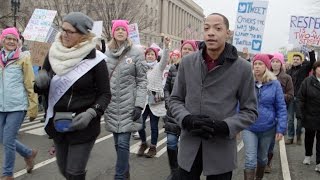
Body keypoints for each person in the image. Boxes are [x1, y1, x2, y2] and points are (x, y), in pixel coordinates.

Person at [169, 13, 258, 180]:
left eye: (217, 28)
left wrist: (225, 126)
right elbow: (175, 100)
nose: (211, 32)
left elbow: (250, 111)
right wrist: (186, 119)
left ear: (228, 33)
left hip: (221, 147)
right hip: (190, 145)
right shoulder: (187, 62)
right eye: (206, 28)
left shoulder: (243, 68)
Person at [34, 12, 111, 180]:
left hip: (83, 124)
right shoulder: (52, 53)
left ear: (83, 34)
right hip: (58, 123)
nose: (64, 34)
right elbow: (42, 90)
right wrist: (40, 84)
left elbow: (105, 94)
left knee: (74, 173)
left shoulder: (96, 60)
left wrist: (91, 113)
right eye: (63, 30)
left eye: (70, 31)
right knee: (64, 170)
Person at [104, 19, 147, 180]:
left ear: (127, 32)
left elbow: (142, 80)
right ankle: (125, 170)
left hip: (130, 105)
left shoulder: (136, 52)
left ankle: (120, 176)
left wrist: (139, 105)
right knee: (117, 144)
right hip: (112, 105)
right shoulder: (106, 53)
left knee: (123, 143)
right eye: (117, 29)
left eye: (123, 29)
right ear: (113, 32)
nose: (120, 31)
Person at [0, 27, 38, 180]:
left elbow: (30, 83)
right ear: (2, 40)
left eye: (14, 39)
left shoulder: (23, 59)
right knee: (2, 137)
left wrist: (33, 106)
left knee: (8, 139)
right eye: (8, 38)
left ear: (18, 42)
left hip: (17, 106)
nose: (11, 41)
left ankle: (8, 174)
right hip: (1, 106)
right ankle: (28, 153)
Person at [243, 54, 287, 180]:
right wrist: (237, 124)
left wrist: (281, 128)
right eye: (255, 64)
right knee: (250, 159)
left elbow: (281, 107)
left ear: (266, 67)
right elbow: (239, 103)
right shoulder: (247, 82)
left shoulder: (275, 84)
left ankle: (259, 177)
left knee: (262, 158)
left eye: (260, 64)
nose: (257, 66)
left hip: (268, 128)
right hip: (249, 126)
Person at [164, 40, 198, 180]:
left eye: (190, 49)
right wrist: (169, 102)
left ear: (194, 51)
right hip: (173, 112)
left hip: (189, 113)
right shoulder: (173, 68)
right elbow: (167, 88)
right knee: (171, 143)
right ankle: (174, 171)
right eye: (185, 49)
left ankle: (182, 173)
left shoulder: (197, 69)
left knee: (186, 148)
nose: (186, 51)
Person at [137, 37, 170, 158]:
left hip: (155, 101)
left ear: (156, 56)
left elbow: (165, 59)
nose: (150, 56)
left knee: (154, 126)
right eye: (148, 54)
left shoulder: (158, 67)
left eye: (152, 54)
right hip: (143, 100)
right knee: (139, 123)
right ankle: (144, 143)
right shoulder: (141, 67)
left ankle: (153, 147)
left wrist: (166, 46)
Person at [265, 52, 294, 173]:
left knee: (271, 140)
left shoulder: (287, 78)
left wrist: (278, 96)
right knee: (262, 137)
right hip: (265, 112)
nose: (275, 63)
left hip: (279, 112)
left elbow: (291, 95)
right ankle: (261, 159)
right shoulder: (265, 75)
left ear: (281, 64)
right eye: (273, 61)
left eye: (278, 61)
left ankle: (267, 161)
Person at [286, 49, 316, 145]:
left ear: (301, 60)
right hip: (290, 98)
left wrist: (311, 51)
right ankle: (290, 137)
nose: (295, 61)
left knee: (300, 119)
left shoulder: (304, 69)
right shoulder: (289, 71)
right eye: (294, 59)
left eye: (297, 59)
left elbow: (312, 62)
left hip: (301, 99)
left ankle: (298, 136)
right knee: (290, 119)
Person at [297, 61, 320, 172]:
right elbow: (300, 98)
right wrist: (300, 113)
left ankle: (319, 162)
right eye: (319, 67)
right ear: (315, 69)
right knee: (309, 137)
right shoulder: (307, 81)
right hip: (310, 114)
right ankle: (308, 155)